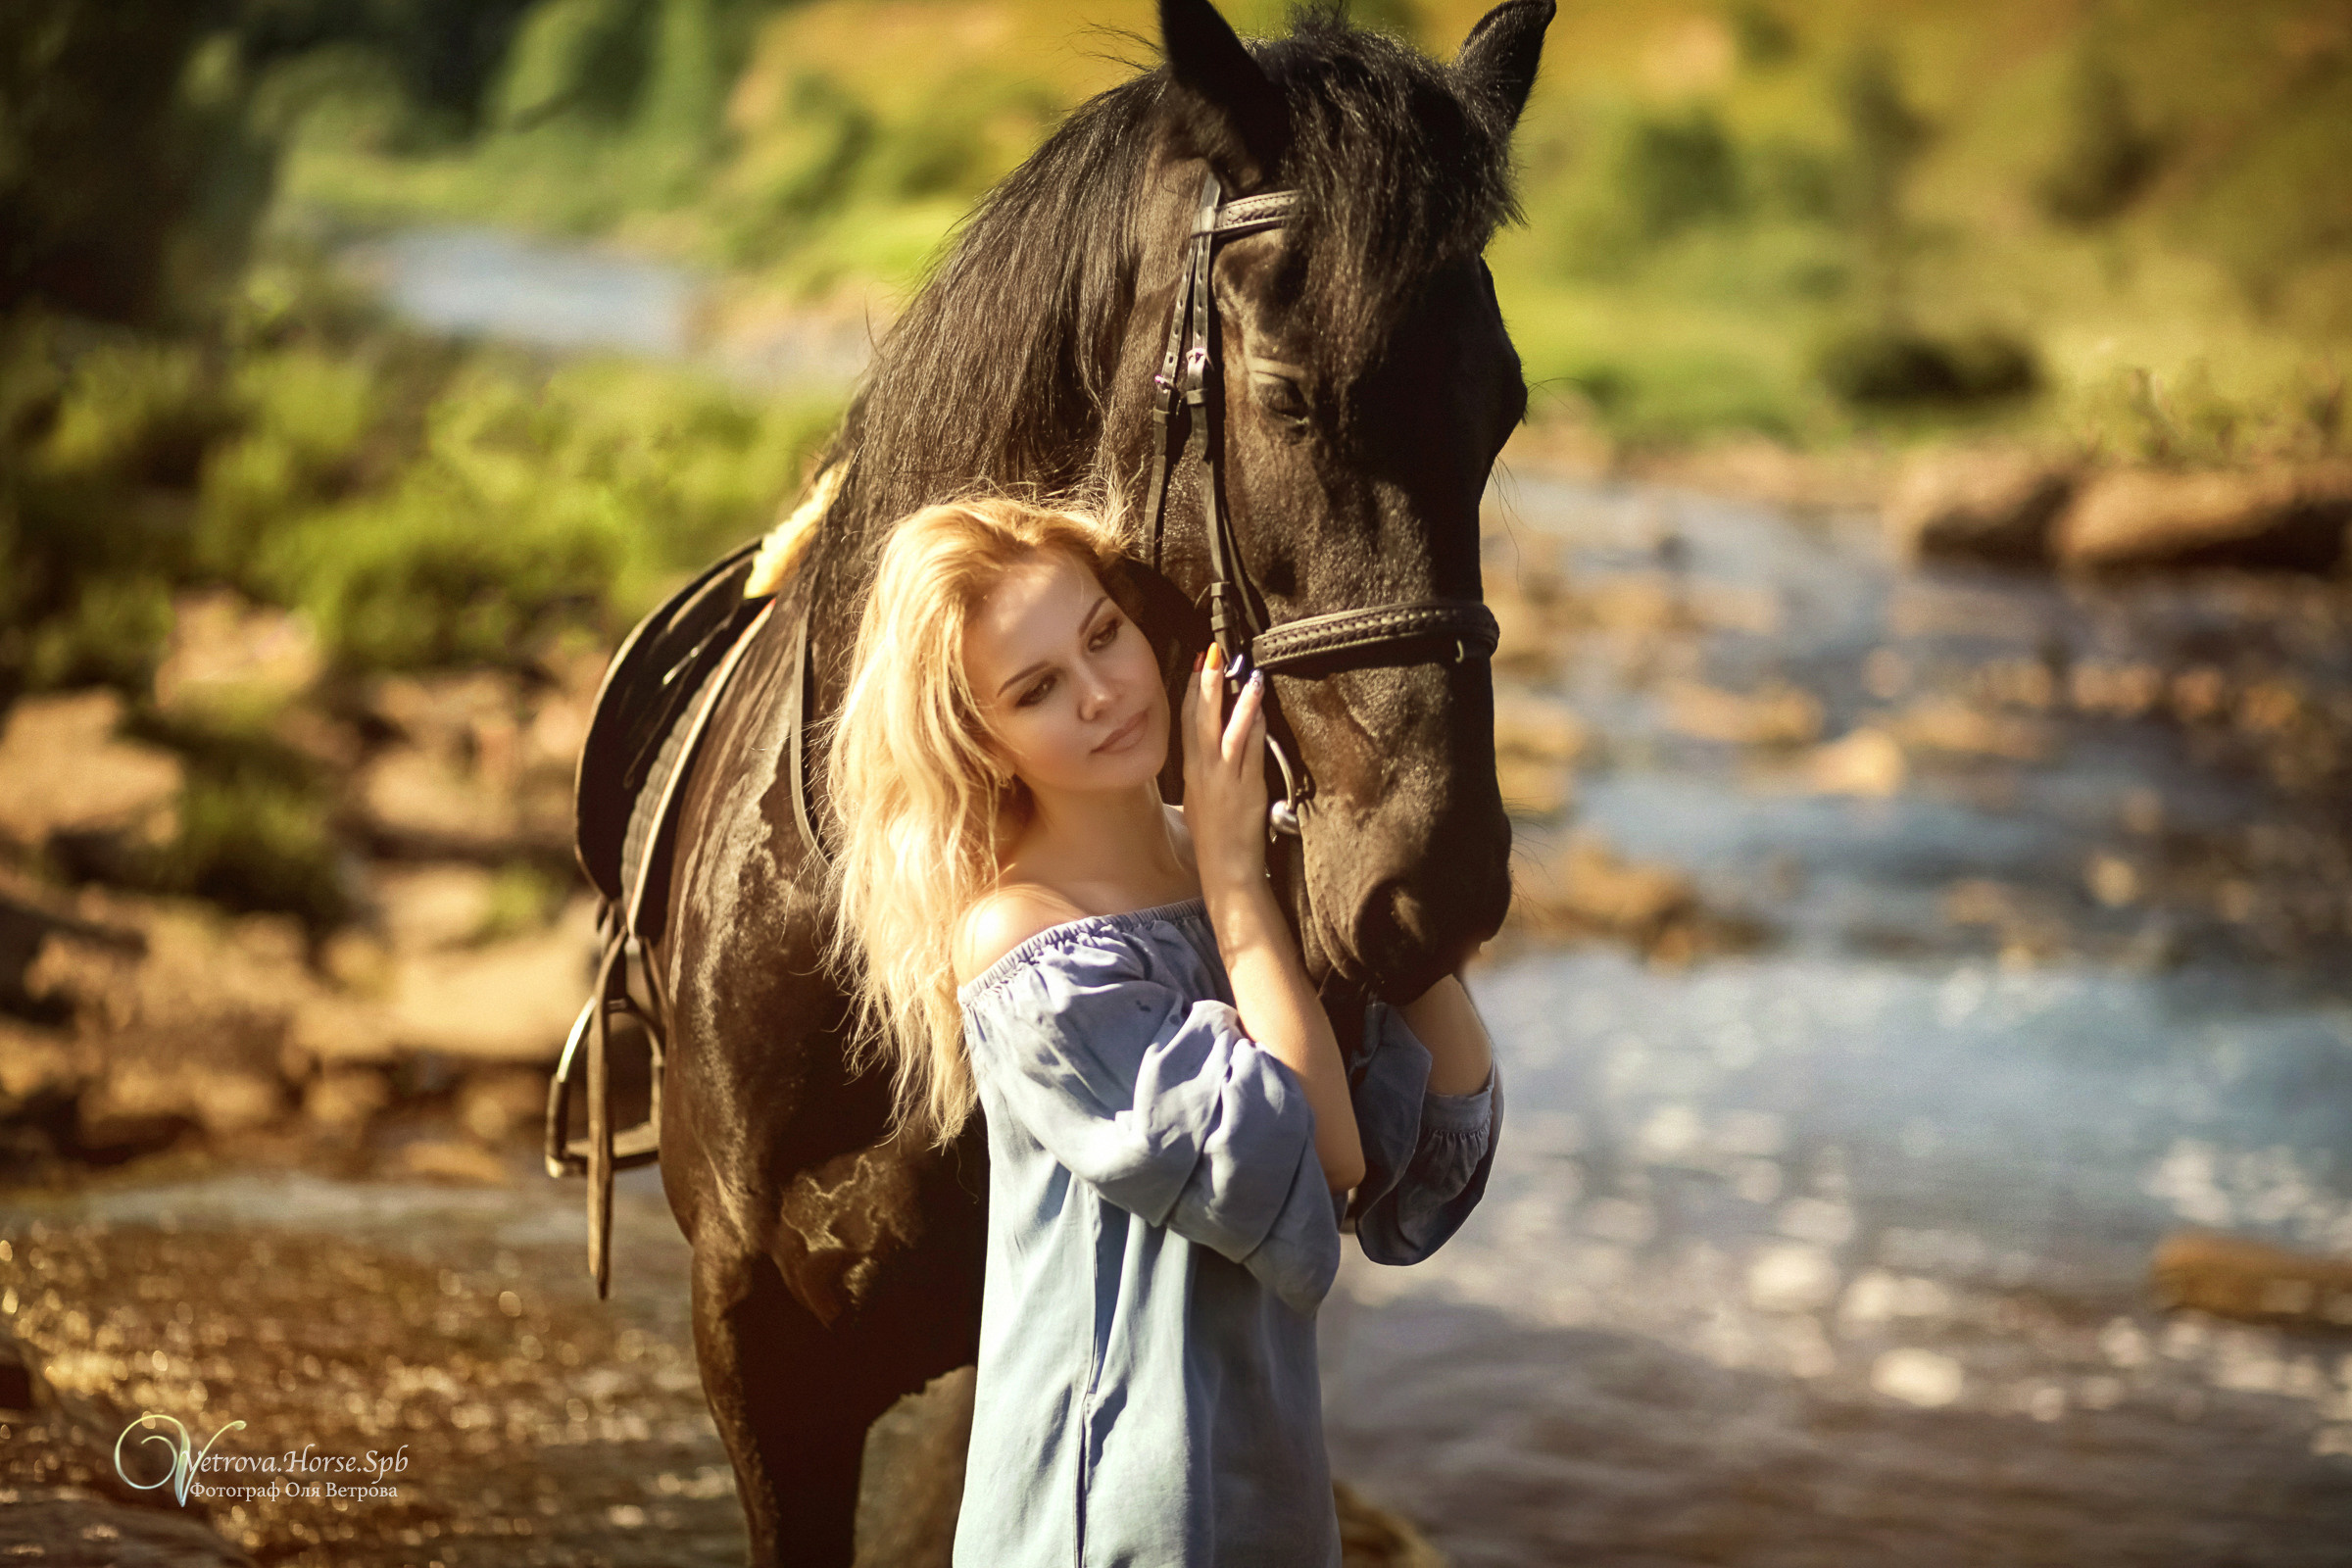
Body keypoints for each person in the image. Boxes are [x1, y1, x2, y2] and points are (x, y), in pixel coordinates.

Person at [824, 494, 1503, 1567]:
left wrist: (1391, 902)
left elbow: (1417, 1175)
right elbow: (1307, 1157)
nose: (1100, 694)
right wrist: (1239, 890)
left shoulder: (1244, 864)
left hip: (1267, 1490)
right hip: (1112, 1507)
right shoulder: (1027, 947)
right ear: (985, 742)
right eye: (1037, 688)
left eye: (1103, 635)